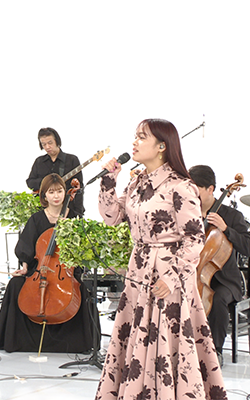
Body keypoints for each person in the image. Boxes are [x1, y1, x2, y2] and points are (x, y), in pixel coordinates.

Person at [95, 119, 226, 400]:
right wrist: (109, 181)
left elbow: (194, 239)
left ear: (162, 146)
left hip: (168, 273)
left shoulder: (181, 186)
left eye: (142, 137)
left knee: (165, 342)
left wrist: (171, 277)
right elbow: (112, 217)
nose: (135, 142)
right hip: (139, 269)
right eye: (135, 136)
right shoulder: (137, 182)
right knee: (137, 338)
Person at [0, 173, 93, 353]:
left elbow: (82, 250)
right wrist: (25, 266)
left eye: (60, 191)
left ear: (66, 192)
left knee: (83, 289)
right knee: (15, 285)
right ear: (44, 195)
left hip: (66, 271)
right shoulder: (36, 219)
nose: (56, 196)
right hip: (39, 270)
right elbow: (26, 247)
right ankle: (18, 341)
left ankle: (78, 342)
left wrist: (67, 230)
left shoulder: (75, 218)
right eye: (51, 192)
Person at [188, 165, 250, 367]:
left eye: (196, 190)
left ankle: (214, 351)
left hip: (225, 281)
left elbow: (248, 248)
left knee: (217, 299)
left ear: (210, 189)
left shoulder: (232, 216)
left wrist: (226, 229)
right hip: (193, 275)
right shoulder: (187, 213)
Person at [26, 127, 84, 218]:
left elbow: (79, 188)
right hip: (44, 211)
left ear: (57, 141)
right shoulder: (39, 161)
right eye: (44, 144)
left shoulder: (72, 160)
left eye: (50, 143)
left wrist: (79, 212)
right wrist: (46, 183)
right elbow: (30, 182)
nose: (47, 147)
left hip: (68, 210)